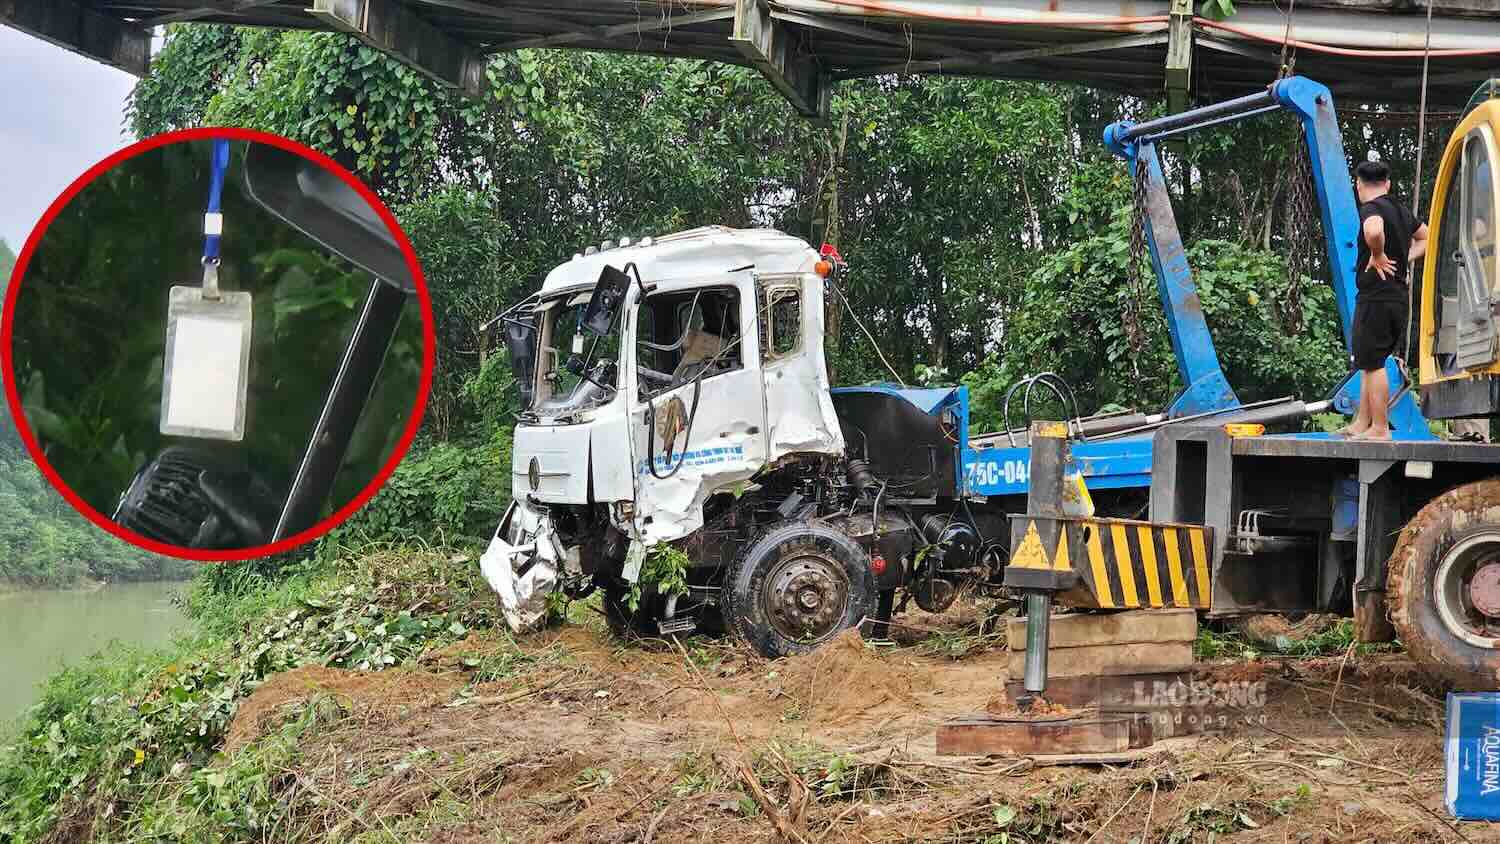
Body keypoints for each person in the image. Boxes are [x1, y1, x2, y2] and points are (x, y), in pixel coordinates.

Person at [1342, 159, 1429, 440]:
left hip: (1376, 297)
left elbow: (1373, 231)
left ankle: (1379, 428)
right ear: (1387, 183)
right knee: (1370, 359)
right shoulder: (1401, 211)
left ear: (1359, 184)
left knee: (1375, 363)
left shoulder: (1372, 208)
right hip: (1395, 297)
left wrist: (1378, 255)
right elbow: (1427, 237)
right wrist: (1403, 259)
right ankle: (1362, 422)